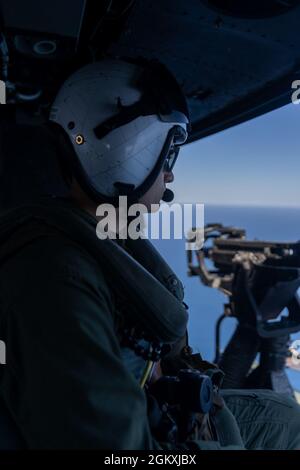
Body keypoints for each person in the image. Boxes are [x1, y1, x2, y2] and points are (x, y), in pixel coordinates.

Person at [0, 58, 299, 450]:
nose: (170, 175)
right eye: (167, 155)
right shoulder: (58, 276)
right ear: (126, 152)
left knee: (289, 419)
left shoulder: (106, 239)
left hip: (174, 417)